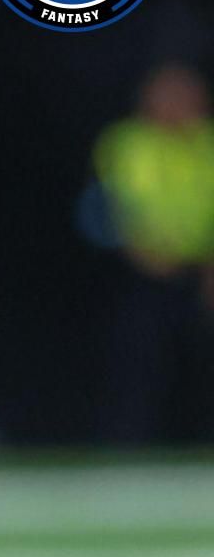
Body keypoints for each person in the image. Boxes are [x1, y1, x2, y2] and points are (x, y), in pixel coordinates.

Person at [92, 62, 214, 442]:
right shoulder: (128, 143)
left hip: (202, 274)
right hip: (142, 273)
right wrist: (142, 247)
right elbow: (112, 208)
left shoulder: (206, 142)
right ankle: (128, 448)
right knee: (140, 365)